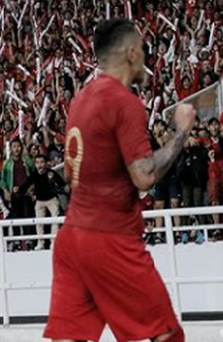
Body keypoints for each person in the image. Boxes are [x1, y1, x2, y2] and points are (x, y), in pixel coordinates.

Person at [45, 18, 195, 342]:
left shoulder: (80, 100)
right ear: (130, 53)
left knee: (70, 337)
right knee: (167, 332)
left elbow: (75, 173)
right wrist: (182, 132)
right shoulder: (124, 102)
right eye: (142, 50)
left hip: (72, 237)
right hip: (110, 237)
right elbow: (144, 177)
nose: (145, 58)